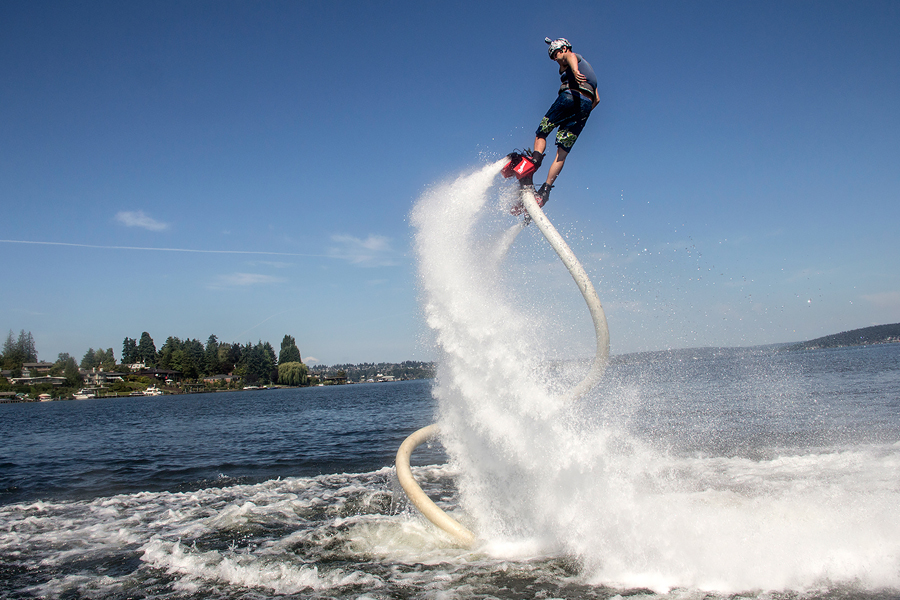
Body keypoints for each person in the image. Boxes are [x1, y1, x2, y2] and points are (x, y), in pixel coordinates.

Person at [526, 37, 600, 207]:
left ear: (564, 48)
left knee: (541, 133)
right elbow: (597, 99)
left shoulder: (572, 57)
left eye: (556, 54)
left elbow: (570, 57)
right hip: (585, 107)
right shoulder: (591, 76)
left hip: (569, 97)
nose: (556, 59)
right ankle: (545, 191)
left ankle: (534, 162)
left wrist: (573, 71)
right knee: (562, 153)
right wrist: (582, 112)